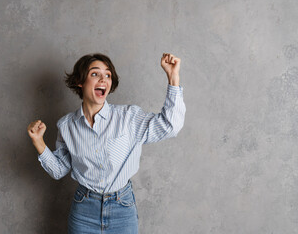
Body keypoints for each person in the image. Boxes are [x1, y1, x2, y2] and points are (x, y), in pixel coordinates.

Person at [27, 53, 186, 234]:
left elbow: (170, 126)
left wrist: (173, 77)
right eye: (95, 74)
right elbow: (58, 170)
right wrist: (38, 142)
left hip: (122, 208)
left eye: (108, 75)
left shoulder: (129, 118)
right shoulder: (66, 126)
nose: (103, 79)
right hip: (83, 210)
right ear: (80, 81)